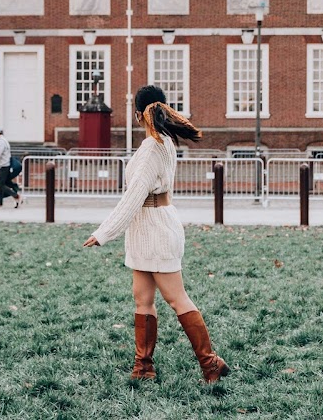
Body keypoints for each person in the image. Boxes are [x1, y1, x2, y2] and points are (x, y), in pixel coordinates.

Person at [83, 85, 229, 384]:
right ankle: (143, 366)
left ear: (138, 115)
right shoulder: (162, 142)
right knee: (142, 298)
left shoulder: (152, 147)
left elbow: (134, 196)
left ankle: (210, 362)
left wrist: (104, 232)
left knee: (176, 298)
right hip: (147, 230)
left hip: (155, 229)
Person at [0, 127, 22, 208]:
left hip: (3, 166)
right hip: (3, 165)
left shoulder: (1, 142)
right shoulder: (3, 141)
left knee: (0, 184)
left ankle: (16, 196)